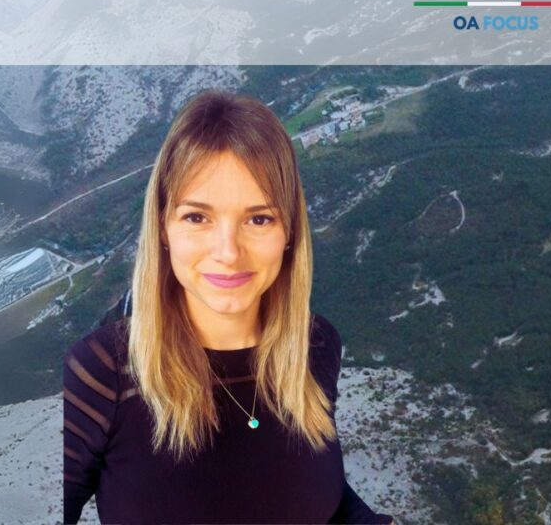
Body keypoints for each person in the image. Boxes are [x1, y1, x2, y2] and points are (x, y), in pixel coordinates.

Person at [63, 91, 394, 524]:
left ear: (290, 232)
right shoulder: (102, 373)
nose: (228, 252)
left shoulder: (315, 346)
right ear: (163, 227)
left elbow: (313, 492)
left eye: (259, 219)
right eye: (197, 217)